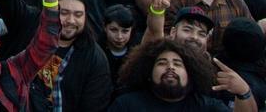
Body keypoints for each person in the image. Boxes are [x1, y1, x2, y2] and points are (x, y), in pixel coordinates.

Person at [109, 39, 256, 111]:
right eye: (162, 63)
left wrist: (243, 92)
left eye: (178, 64)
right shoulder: (126, 105)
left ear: (191, 74)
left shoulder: (206, 107)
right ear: (149, 72)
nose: (170, 67)